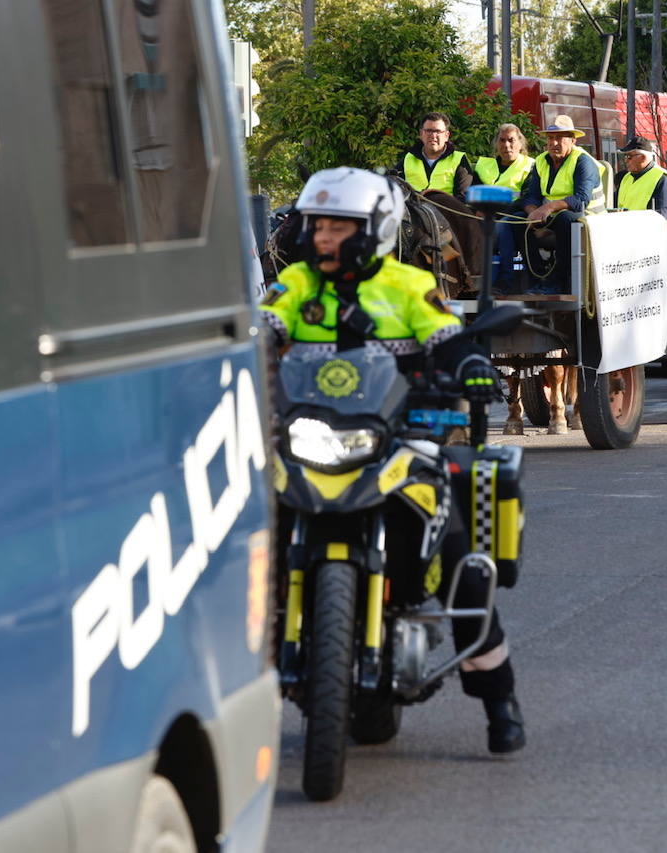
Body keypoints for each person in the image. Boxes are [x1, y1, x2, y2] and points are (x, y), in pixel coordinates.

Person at [259, 167, 526, 754]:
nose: (321, 237)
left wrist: (471, 364)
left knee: (461, 558)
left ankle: (499, 700)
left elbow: (448, 337)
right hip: (306, 435)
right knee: (239, 532)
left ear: (375, 230)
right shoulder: (296, 282)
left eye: (337, 227)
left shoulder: (409, 286)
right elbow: (261, 330)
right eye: (316, 226)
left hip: (400, 437)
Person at [513, 114, 599, 294]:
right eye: (550, 138)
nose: (554, 143)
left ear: (573, 140)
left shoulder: (583, 161)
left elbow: (581, 199)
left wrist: (548, 208)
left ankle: (558, 281)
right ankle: (536, 277)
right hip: (551, 216)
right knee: (519, 220)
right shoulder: (541, 161)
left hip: (590, 219)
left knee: (565, 219)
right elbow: (531, 196)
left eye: (560, 138)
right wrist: (533, 214)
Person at [477, 123, 535, 293]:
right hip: (483, 217)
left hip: (516, 216)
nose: (506, 145)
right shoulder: (483, 166)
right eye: (502, 141)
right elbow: (473, 191)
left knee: (503, 226)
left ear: (520, 143)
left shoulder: (530, 166)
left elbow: (526, 198)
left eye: (511, 140)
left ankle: (505, 281)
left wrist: (495, 213)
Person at [395, 112, 473, 200]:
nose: (433, 135)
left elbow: (463, 197)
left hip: (446, 211)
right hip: (413, 210)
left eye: (438, 131)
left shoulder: (459, 160)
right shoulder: (408, 158)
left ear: (446, 136)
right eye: (429, 131)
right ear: (421, 133)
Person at [615, 135, 667, 225]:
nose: (626, 160)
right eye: (625, 156)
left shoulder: (661, 179)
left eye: (629, 156)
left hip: (656, 235)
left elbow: (661, 215)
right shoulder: (626, 178)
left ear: (643, 157)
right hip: (630, 232)